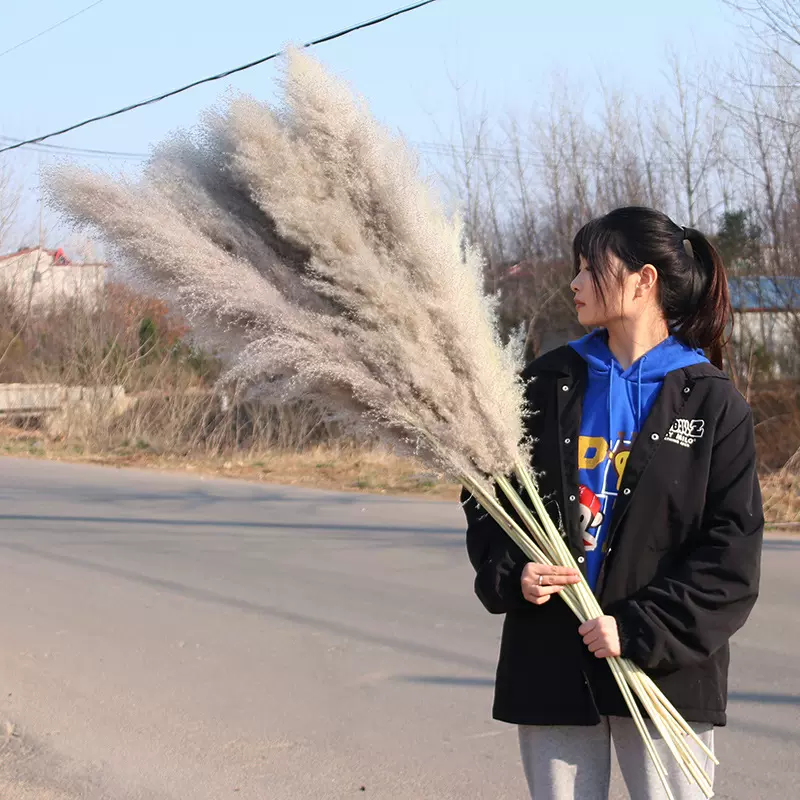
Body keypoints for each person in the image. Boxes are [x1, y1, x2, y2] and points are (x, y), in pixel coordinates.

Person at [463, 206, 763, 799]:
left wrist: (637, 629)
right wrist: (513, 573)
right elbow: (487, 498)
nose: (573, 283)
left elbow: (730, 557)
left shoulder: (711, 402)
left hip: (664, 674)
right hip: (554, 662)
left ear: (643, 280)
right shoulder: (543, 384)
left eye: (587, 268)